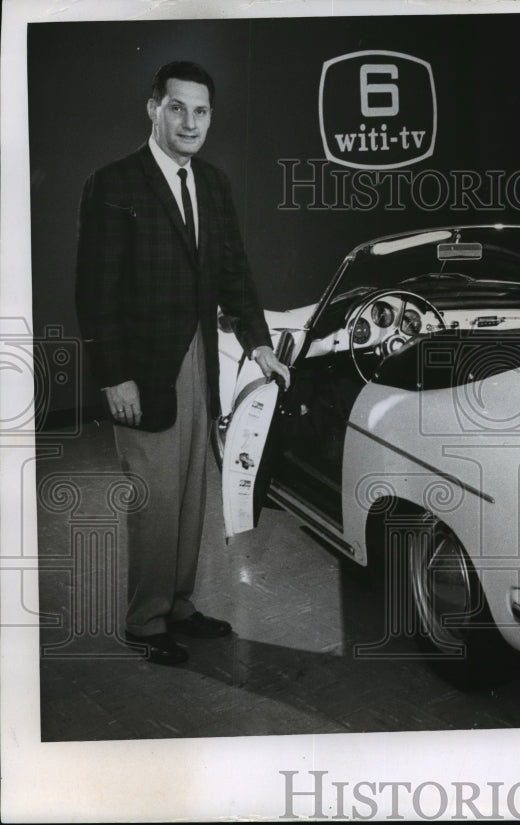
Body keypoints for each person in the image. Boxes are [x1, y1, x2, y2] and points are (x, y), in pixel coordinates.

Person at [75, 61, 291, 665]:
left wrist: (258, 341)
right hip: (142, 367)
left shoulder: (213, 183)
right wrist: (113, 374)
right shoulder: (113, 182)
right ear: (153, 108)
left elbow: (233, 271)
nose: (189, 122)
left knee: (194, 488)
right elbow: (95, 290)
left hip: (200, 356)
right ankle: (144, 622)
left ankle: (179, 604)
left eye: (201, 111)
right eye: (177, 108)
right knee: (155, 497)